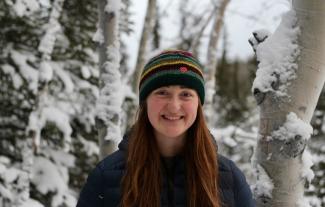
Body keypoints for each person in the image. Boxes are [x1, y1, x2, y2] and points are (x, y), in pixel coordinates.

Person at [76, 49, 255, 207]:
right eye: (162, 93)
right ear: (145, 102)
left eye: (186, 94)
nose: (174, 106)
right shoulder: (107, 176)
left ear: (198, 105)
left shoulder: (228, 177)